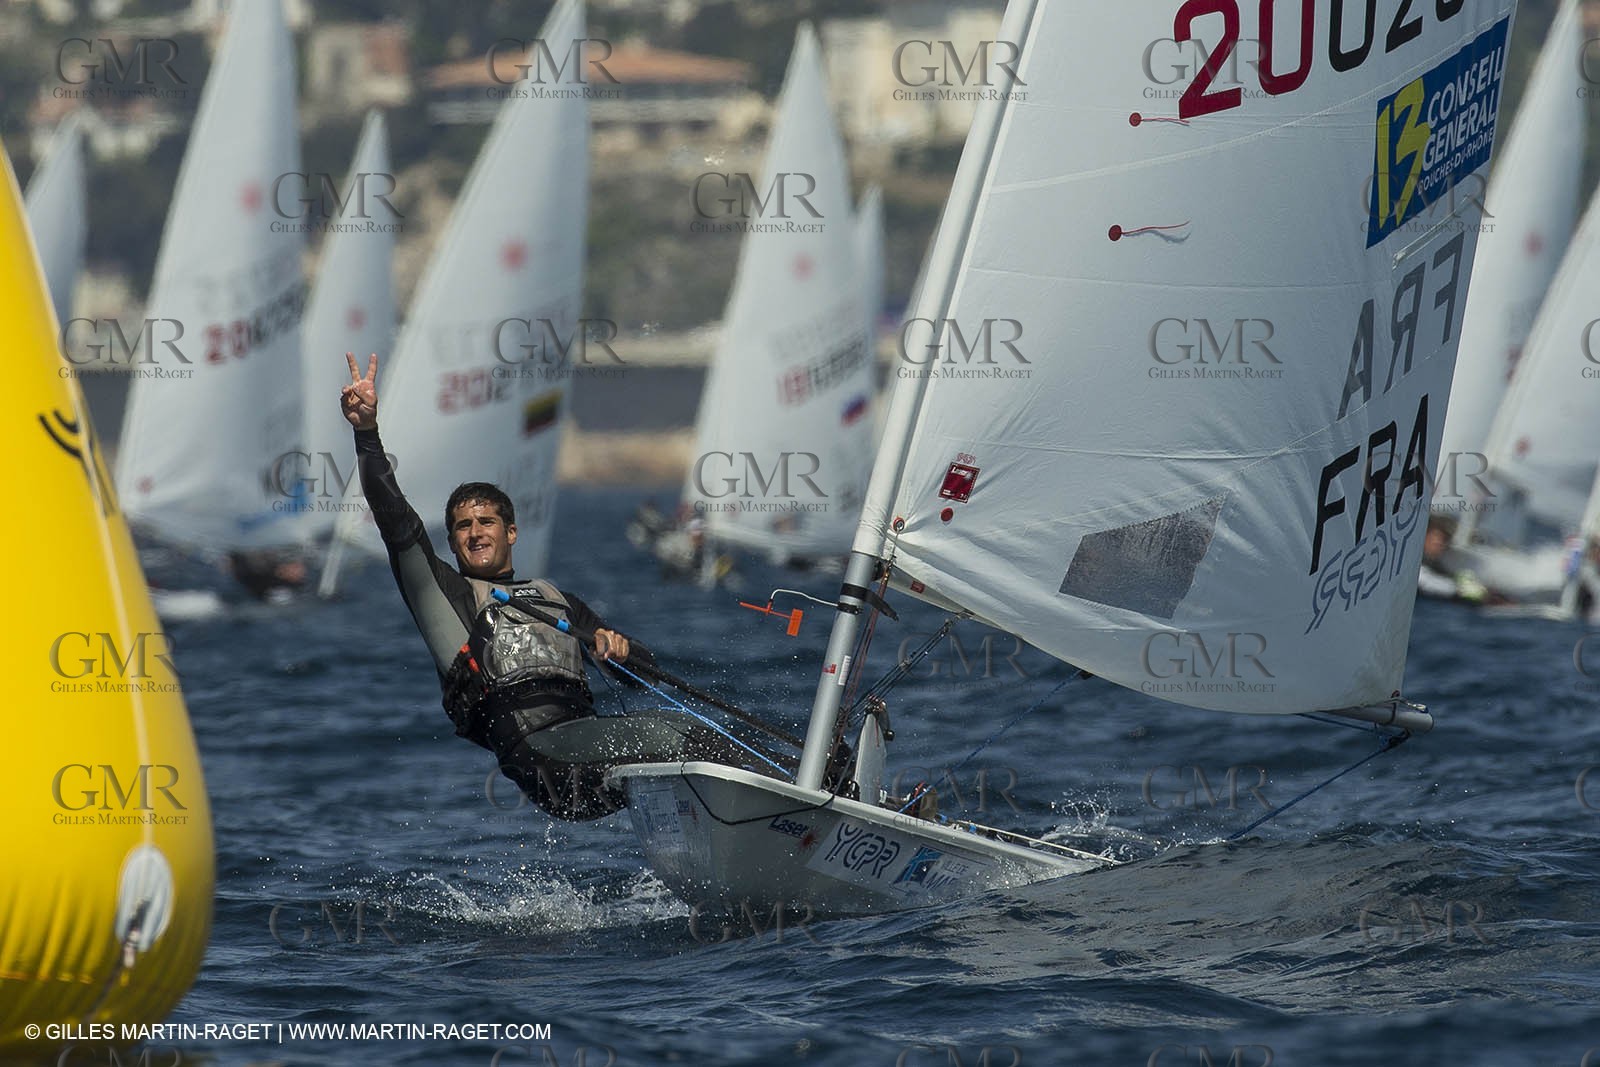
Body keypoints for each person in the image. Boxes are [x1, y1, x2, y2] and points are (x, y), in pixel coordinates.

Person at [340, 353, 743, 819]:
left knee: (703, 739)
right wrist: (366, 433)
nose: (475, 533)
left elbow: (645, 674)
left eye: (486, 522)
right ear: (451, 542)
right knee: (684, 738)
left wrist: (622, 651)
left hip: (592, 751)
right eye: (463, 527)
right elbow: (396, 523)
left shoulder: (556, 600)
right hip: (541, 757)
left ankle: (783, 802)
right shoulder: (445, 597)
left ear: (511, 532)